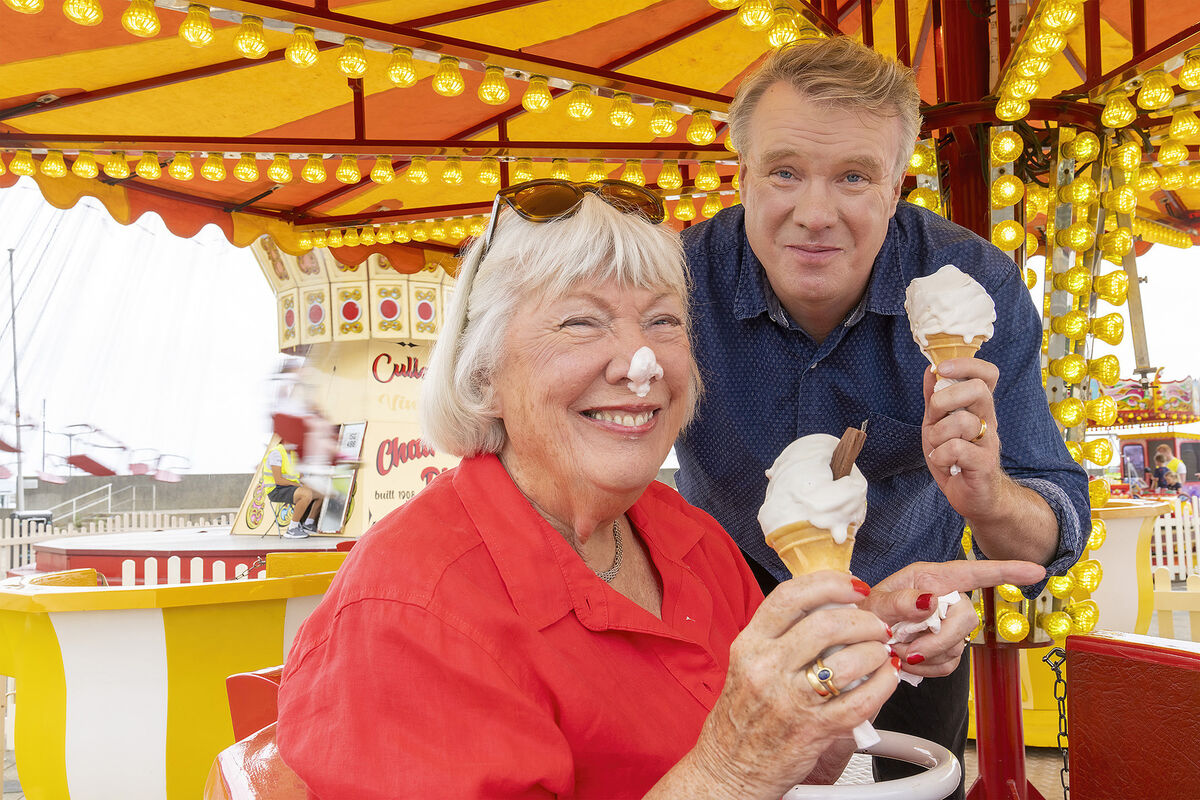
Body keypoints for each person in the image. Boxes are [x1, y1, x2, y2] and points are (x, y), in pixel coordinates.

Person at [275, 180, 1046, 798]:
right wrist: (729, 771)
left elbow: (806, 761)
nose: (639, 363)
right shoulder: (409, 612)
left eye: (664, 322)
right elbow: (745, 764)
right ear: (482, 375)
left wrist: (859, 641)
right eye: (582, 323)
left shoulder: (688, 540)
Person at [674, 38, 1090, 796]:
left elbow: (1052, 535)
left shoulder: (974, 283)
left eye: (854, 177)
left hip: (909, 622)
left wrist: (988, 497)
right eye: (785, 172)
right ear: (743, 177)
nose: (814, 214)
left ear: (897, 188)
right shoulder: (676, 284)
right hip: (725, 615)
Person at [262, 439, 324, 538]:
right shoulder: (276, 453)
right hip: (276, 490)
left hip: (291, 487)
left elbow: (301, 477)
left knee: (321, 493)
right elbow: (278, 480)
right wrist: (299, 486)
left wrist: (310, 485)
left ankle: (308, 523)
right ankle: (292, 528)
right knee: (306, 494)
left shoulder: (294, 455)